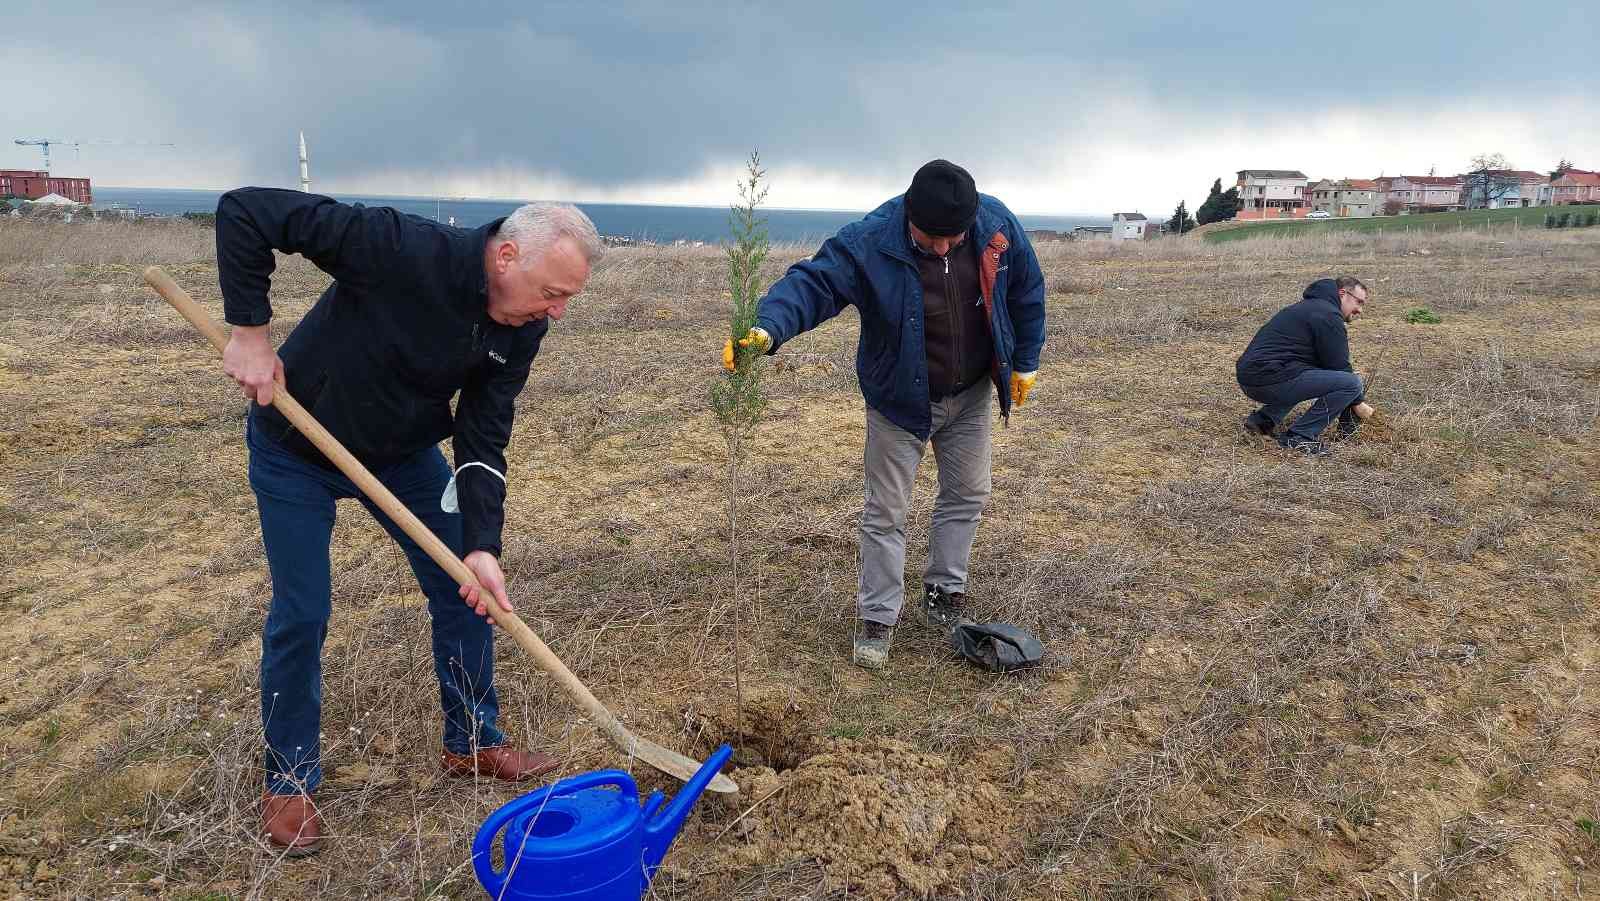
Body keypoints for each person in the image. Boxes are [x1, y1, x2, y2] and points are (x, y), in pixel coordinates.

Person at [216, 187, 601, 855]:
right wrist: (250, 332)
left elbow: (483, 433)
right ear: (506, 256)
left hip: (401, 454)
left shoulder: (522, 327)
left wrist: (482, 545)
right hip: (296, 446)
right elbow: (247, 211)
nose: (558, 312)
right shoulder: (400, 248)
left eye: (569, 298)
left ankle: (473, 741)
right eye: (553, 291)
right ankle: (289, 780)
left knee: (465, 587)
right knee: (303, 609)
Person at [723, 160, 1046, 669]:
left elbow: (1027, 291)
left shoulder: (994, 227)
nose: (942, 248)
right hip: (898, 400)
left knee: (967, 493)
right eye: (930, 238)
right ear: (909, 214)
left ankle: (943, 593)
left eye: (952, 239)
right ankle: (878, 620)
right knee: (886, 511)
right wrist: (768, 329)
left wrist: (1024, 362)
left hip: (971, 395)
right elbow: (814, 284)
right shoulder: (872, 239)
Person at [1236, 276, 1369, 455]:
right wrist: (1359, 403)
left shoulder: (1310, 307)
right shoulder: (1328, 314)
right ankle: (1299, 436)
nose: (1360, 310)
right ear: (1343, 293)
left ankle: (1262, 420)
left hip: (1251, 377)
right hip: (1268, 378)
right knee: (1351, 383)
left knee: (1302, 373)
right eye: (1358, 302)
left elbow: (1327, 367)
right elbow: (1339, 367)